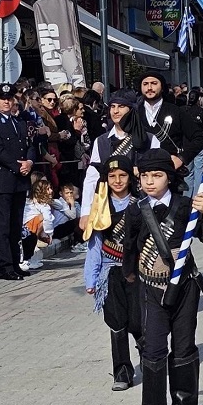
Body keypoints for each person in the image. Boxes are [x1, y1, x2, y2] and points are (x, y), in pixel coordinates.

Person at [122, 148, 203, 405]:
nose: (151, 182)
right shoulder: (136, 209)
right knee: (152, 351)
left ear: (170, 176)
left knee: (184, 349)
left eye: (158, 175)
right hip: (150, 291)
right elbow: (130, 248)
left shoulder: (184, 206)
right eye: (146, 176)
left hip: (184, 290)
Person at [83, 155, 140, 391]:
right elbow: (94, 245)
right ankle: (122, 372)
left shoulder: (140, 204)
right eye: (112, 176)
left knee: (139, 321)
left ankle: (149, 358)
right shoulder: (100, 208)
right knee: (116, 323)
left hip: (137, 273)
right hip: (110, 272)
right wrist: (91, 277)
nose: (117, 180)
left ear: (130, 177)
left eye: (123, 175)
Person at [78, 89, 157, 233]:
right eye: (113, 106)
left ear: (131, 109)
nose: (115, 111)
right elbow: (92, 178)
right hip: (108, 209)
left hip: (142, 205)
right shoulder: (101, 141)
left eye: (121, 107)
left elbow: (158, 176)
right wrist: (85, 212)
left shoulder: (150, 139)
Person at [0, 83, 34, 281]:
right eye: (3, 99)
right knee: (2, 226)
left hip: (19, 180)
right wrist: (18, 165)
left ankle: (15, 262)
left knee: (15, 225)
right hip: (3, 180)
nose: (6, 102)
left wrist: (29, 162)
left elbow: (29, 144)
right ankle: (4, 266)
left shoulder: (19, 122)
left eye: (9, 98)